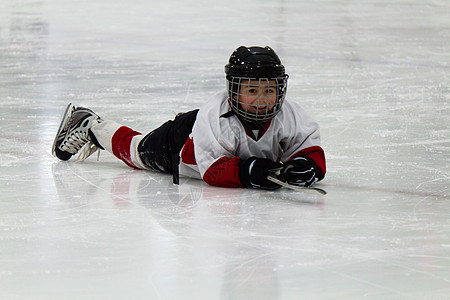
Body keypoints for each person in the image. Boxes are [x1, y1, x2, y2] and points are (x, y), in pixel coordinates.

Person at [52, 46, 326, 190]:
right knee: (136, 150)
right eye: (252, 90)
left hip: (202, 142)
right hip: (181, 143)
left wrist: (308, 166)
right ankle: (91, 125)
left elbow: (309, 147)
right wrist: (248, 171)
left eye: (269, 90)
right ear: (233, 90)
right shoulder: (215, 114)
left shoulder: (289, 115)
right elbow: (213, 171)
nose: (262, 99)